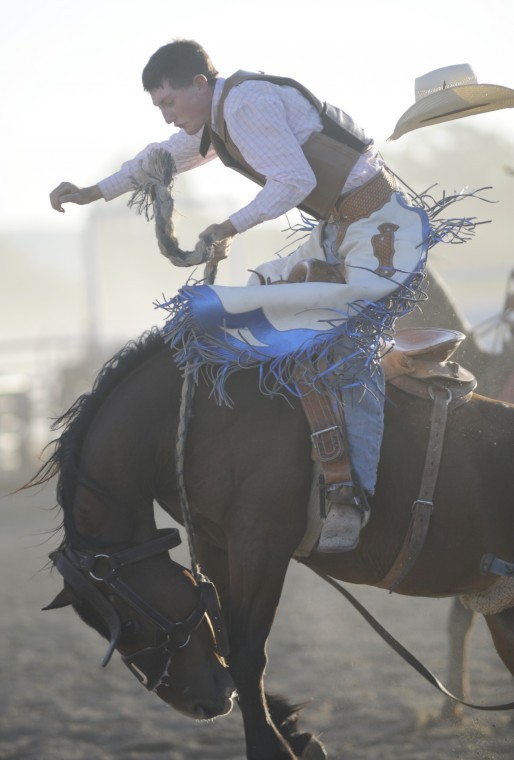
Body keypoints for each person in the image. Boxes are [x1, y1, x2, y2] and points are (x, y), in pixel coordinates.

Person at [49, 39, 430, 553]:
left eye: (168, 102)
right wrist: (93, 191)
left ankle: (350, 495)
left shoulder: (246, 104)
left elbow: (293, 180)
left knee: (347, 348)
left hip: (382, 231)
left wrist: (229, 224)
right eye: (158, 107)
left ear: (199, 85)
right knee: (258, 301)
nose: (166, 116)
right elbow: (159, 159)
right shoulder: (218, 119)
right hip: (342, 230)